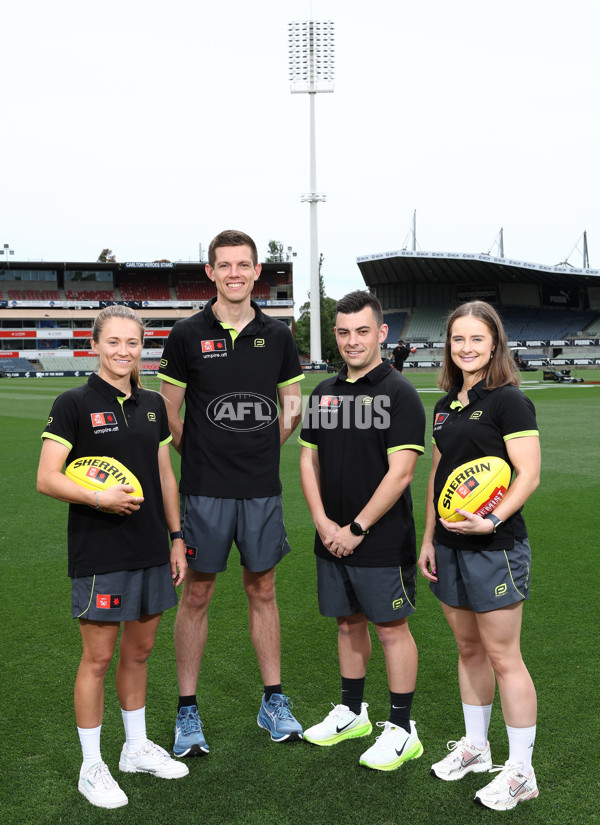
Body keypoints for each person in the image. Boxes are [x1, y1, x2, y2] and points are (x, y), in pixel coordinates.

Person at [37, 304, 189, 810]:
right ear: (96, 345)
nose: (124, 352)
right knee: (98, 657)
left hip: (151, 547)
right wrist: (101, 498)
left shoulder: (151, 405)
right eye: (114, 342)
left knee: (140, 652)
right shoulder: (73, 403)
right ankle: (91, 765)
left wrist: (176, 536)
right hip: (100, 551)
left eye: (132, 343)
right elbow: (48, 477)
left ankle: (135, 747)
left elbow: (165, 475)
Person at [158, 229, 304, 755]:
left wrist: (260, 449)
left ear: (257, 271)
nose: (235, 273)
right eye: (225, 265)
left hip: (261, 488)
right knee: (196, 594)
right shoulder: (186, 333)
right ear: (211, 272)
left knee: (262, 590)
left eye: (244, 264)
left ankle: (273, 702)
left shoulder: (280, 335)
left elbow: (292, 407)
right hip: (204, 490)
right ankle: (187, 712)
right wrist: (201, 455)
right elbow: (168, 411)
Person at [418, 300, 540, 811]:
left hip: (495, 546)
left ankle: (521, 771)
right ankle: (476, 747)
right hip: (448, 547)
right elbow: (438, 475)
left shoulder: (509, 402)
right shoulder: (446, 405)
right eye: (458, 339)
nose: (466, 348)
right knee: (468, 650)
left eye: (477, 339)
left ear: (495, 344)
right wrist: (428, 537)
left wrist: (489, 520)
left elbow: (528, 474)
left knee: (503, 657)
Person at [299, 290, 426, 771]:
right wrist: (322, 522)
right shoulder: (322, 392)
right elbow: (307, 459)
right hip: (330, 535)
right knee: (347, 622)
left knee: (392, 629)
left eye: (362, 331)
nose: (353, 341)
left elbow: (401, 473)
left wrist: (355, 527)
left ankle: (402, 728)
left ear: (382, 334)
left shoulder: (399, 393)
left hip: (379, 538)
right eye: (344, 332)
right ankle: (352, 713)